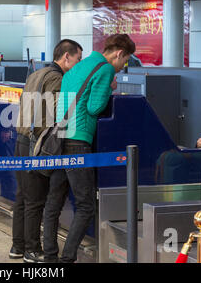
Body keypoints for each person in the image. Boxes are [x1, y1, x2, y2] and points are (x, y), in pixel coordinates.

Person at [43, 34, 136, 263]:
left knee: (54, 200)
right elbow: (94, 108)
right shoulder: (104, 69)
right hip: (79, 140)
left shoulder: (77, 67)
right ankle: (67, 259)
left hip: (61, 136)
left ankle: (50, 256)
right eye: (125, 61)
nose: (122, 66)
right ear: (119, 53)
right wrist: (110, 87)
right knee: (86, 205)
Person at [11, 39, 83, 263]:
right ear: (66, 57)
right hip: (36, 144)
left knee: (22, 196)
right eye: (78, 59)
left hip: (21, 140)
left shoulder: (35, 74)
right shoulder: (57, 78)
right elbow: (57, 113)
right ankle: (32, 249)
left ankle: (18, 245)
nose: (79, 64)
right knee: (35, 199)